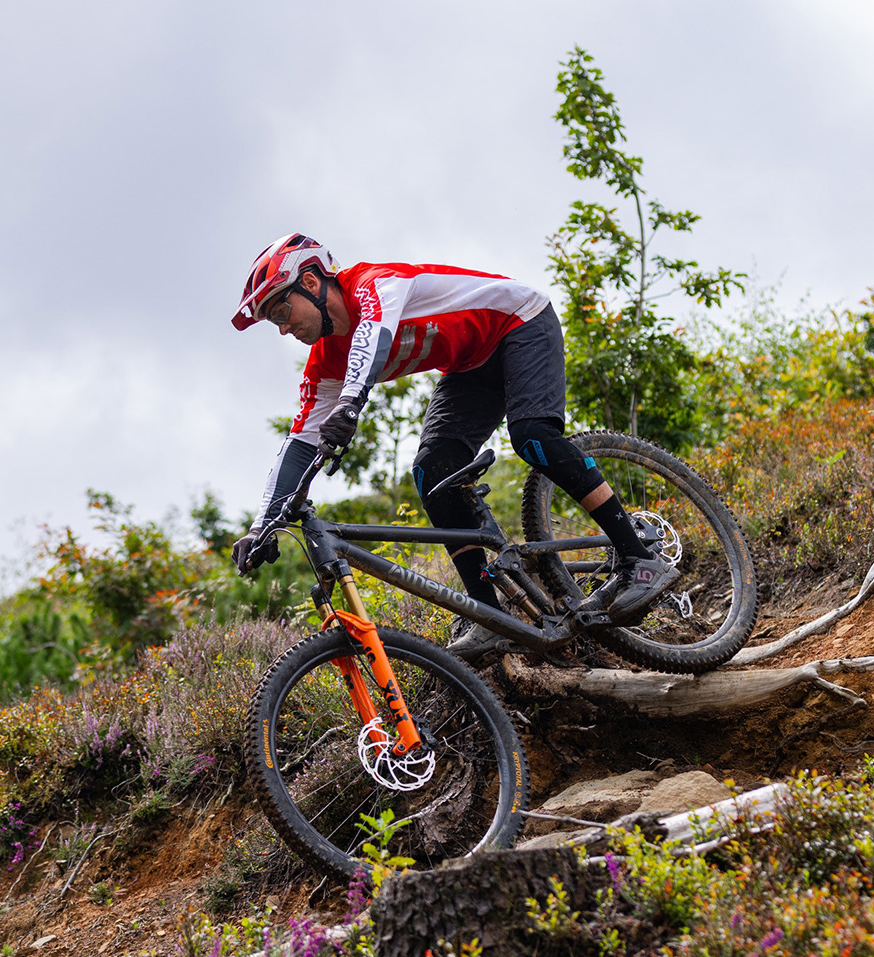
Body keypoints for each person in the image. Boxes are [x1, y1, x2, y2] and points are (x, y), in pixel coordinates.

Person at [228, 233, 678, 660]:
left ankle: (640, 557)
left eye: (282, 312)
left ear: (310, 282)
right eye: (274, 321)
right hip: (468, 366)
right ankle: (489, 614)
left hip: (519, 323)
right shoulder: (325, 361)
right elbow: (301, 440)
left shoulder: (374, 285)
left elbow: (373, 337)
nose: (284, 329)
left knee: (533, 437)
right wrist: (261, 525)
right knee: (433, 473)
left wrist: (349, 403)